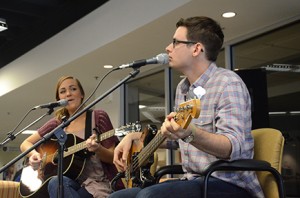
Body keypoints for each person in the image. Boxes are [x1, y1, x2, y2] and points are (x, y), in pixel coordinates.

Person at [109, 16, 264, 198]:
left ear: (197, 48)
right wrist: (135, 136)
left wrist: (190, 133)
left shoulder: (228, 83)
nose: (168, 48)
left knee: (149, 196)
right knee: (118, 197)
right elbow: (178, 137)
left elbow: (233, 147)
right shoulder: (183, 89)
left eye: (175, 42)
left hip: (230, 185)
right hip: (195, 181)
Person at [20, 76, 123, 198]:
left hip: (96, 184)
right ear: (59, 100)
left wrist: (98, 149)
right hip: (70, 183)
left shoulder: (98, 117)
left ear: (82, 94)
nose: (68, 94)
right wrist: (33, 155)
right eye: (63, 92)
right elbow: (25, 143)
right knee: (55, 182)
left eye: (73, 89)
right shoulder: (57, 124)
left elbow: (113, 157)